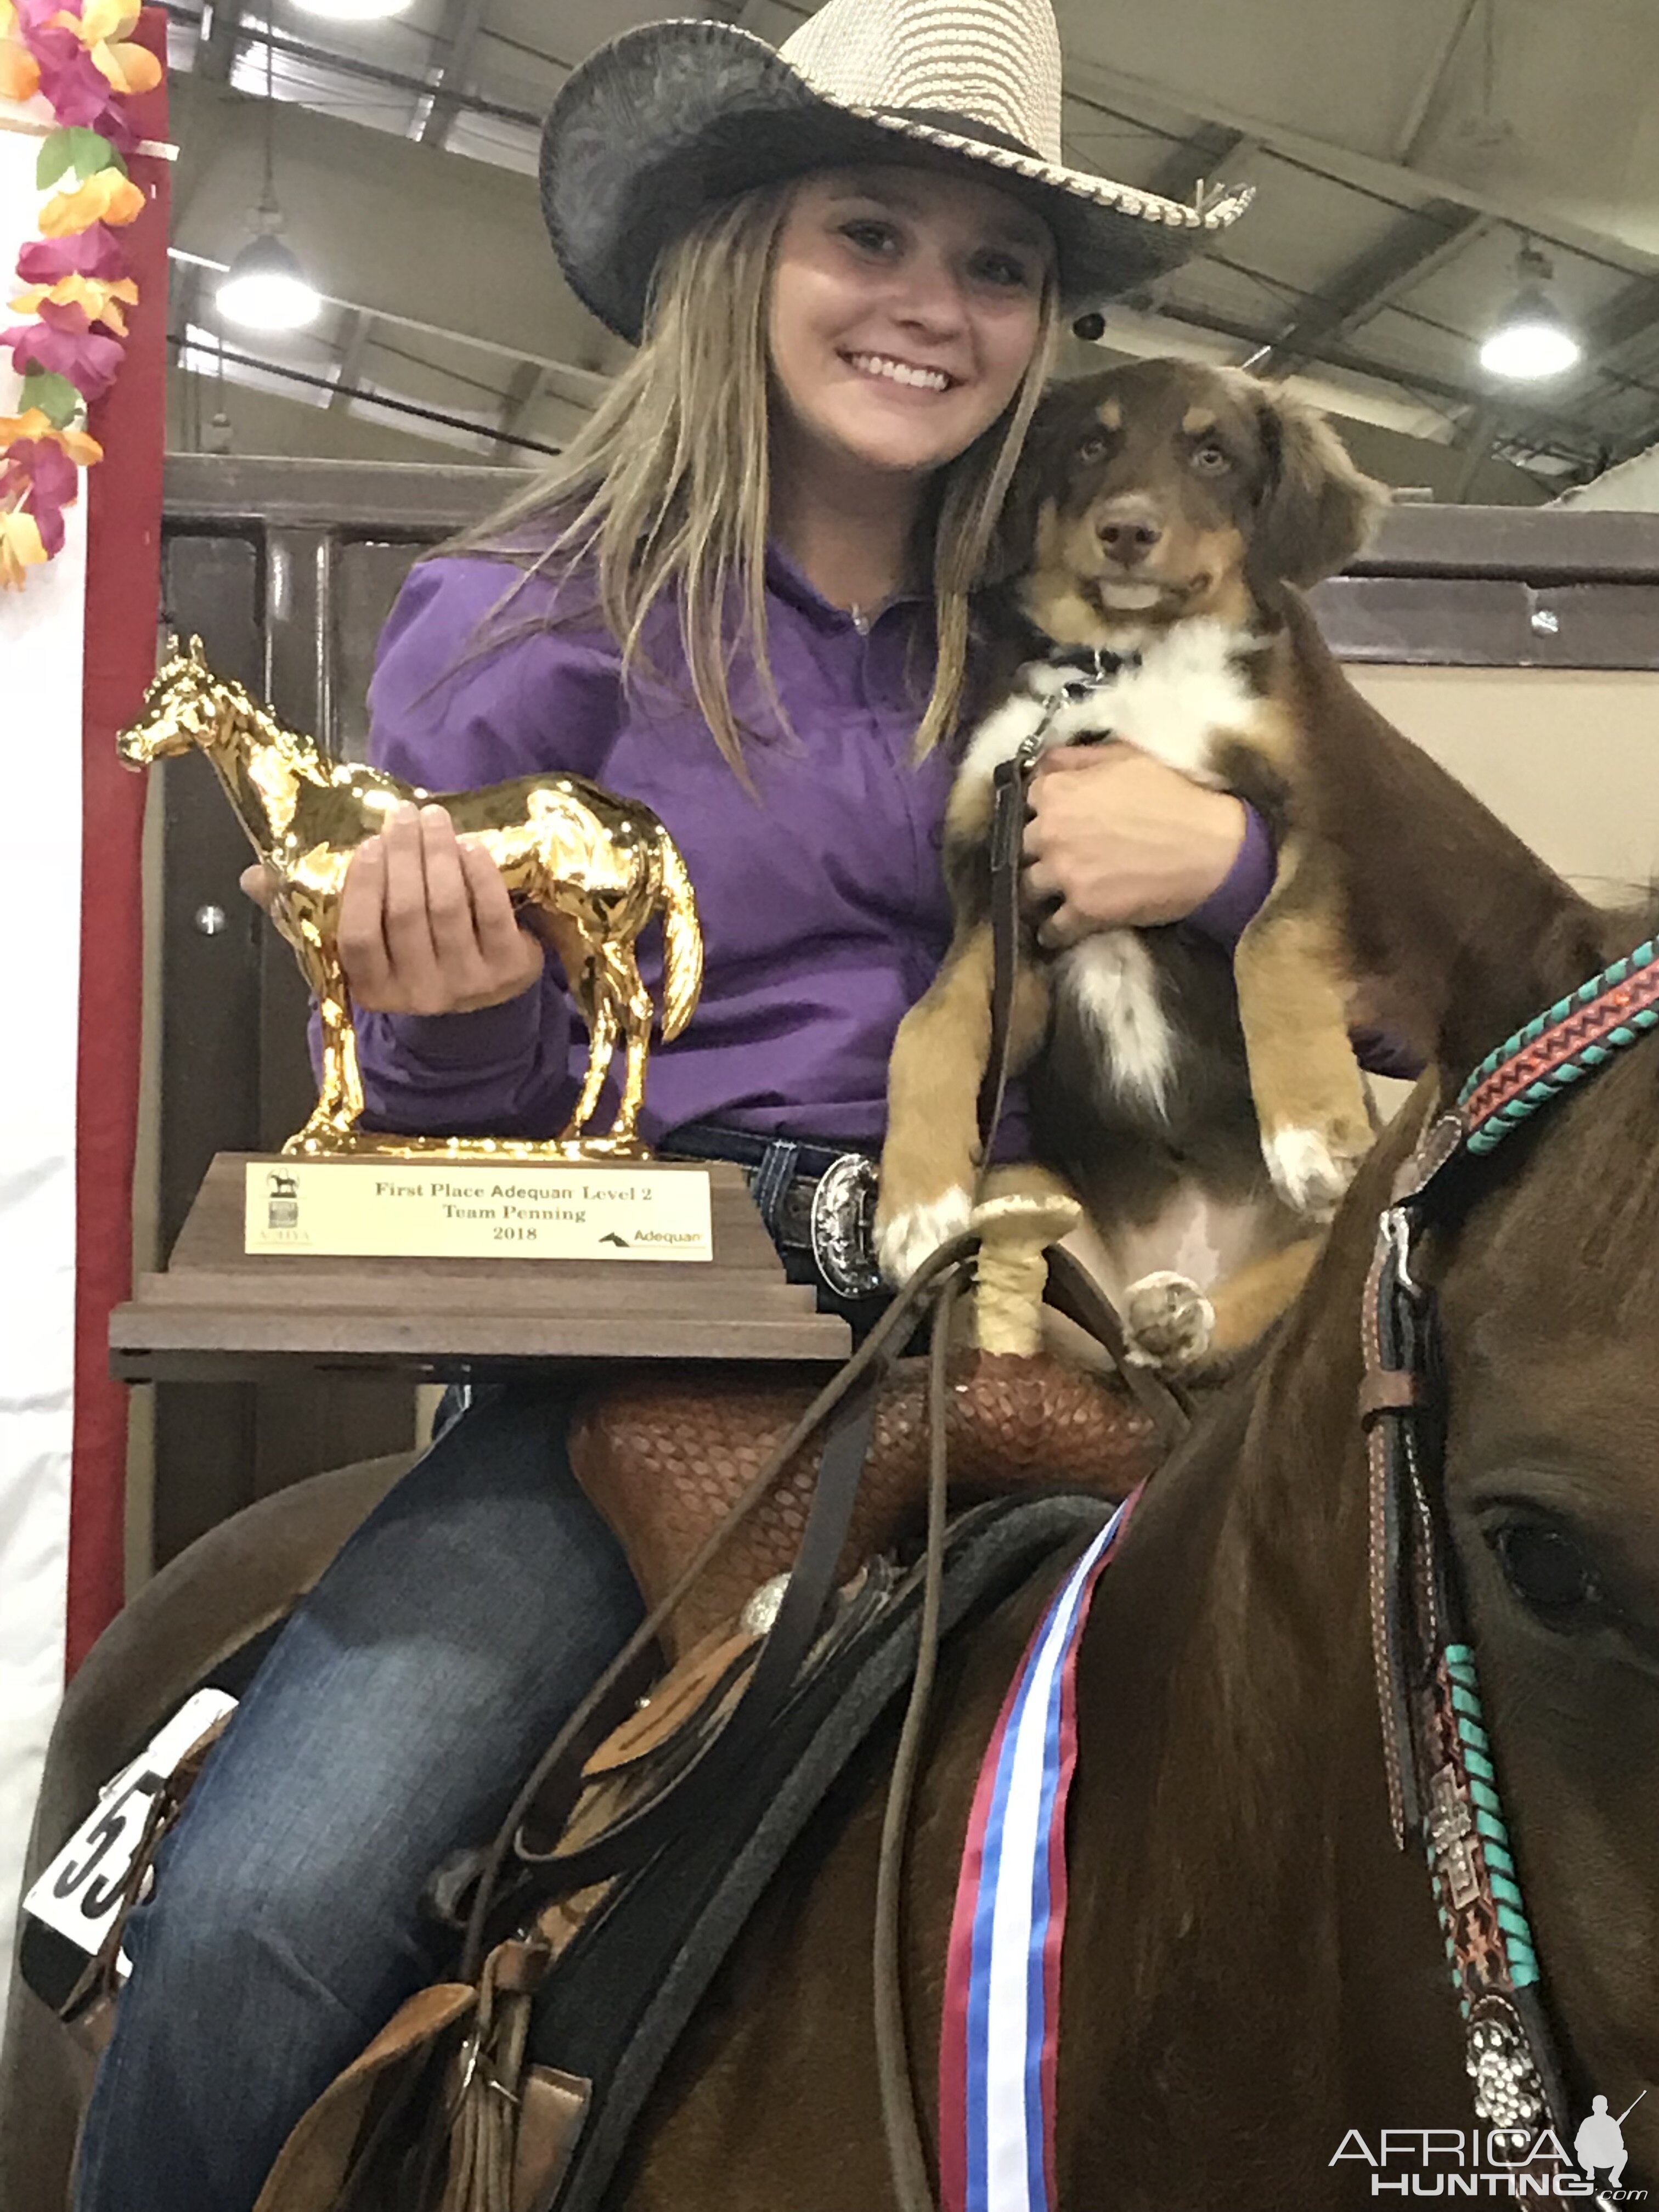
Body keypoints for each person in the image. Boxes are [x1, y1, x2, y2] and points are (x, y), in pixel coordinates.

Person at [72, 3, 1257, 2205]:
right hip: (647, 1350)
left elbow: (1324, 922)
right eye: (872, 231)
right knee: (260, 1919)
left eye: (998, 266)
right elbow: (452, 1146)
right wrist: (443, 1019)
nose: (934, 304)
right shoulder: (527, 614)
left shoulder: (1086, 632)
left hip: (1038, 1318)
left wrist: (1233, 856)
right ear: (738, 249)